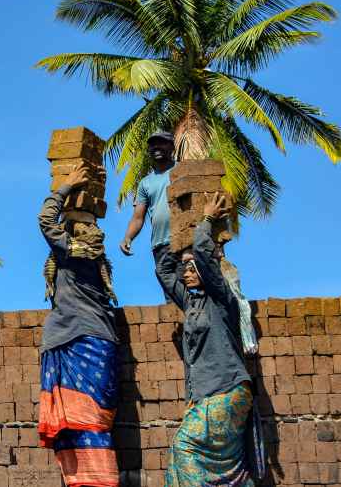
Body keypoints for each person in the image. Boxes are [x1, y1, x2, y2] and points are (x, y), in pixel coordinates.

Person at [155, 193, 254, 486]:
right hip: (204, 396)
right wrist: (174, 226)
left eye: (191, 267)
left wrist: (207, 220)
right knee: (177, 469)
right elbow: (162, 269)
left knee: (185, 449)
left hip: (227, 390)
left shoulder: (221, 299)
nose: (186, 273)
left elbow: (203, 254)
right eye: (184, 268)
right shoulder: (191, 304)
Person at [37, 165, 120, 487]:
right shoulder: (96, 258)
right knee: (89, 424)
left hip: (77, 342)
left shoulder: (73, 253)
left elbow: (45, 221)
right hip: (100, 345)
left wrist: (66, 187)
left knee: (83, 423)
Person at [120, 131, 175, 258]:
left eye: (161, 143)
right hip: (160, 246)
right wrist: (128, 237)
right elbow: (138, 217)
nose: (156, 147)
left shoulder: (184, 170)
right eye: (152, 145)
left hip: (186, 241)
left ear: (172, 147)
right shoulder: (145, 183)